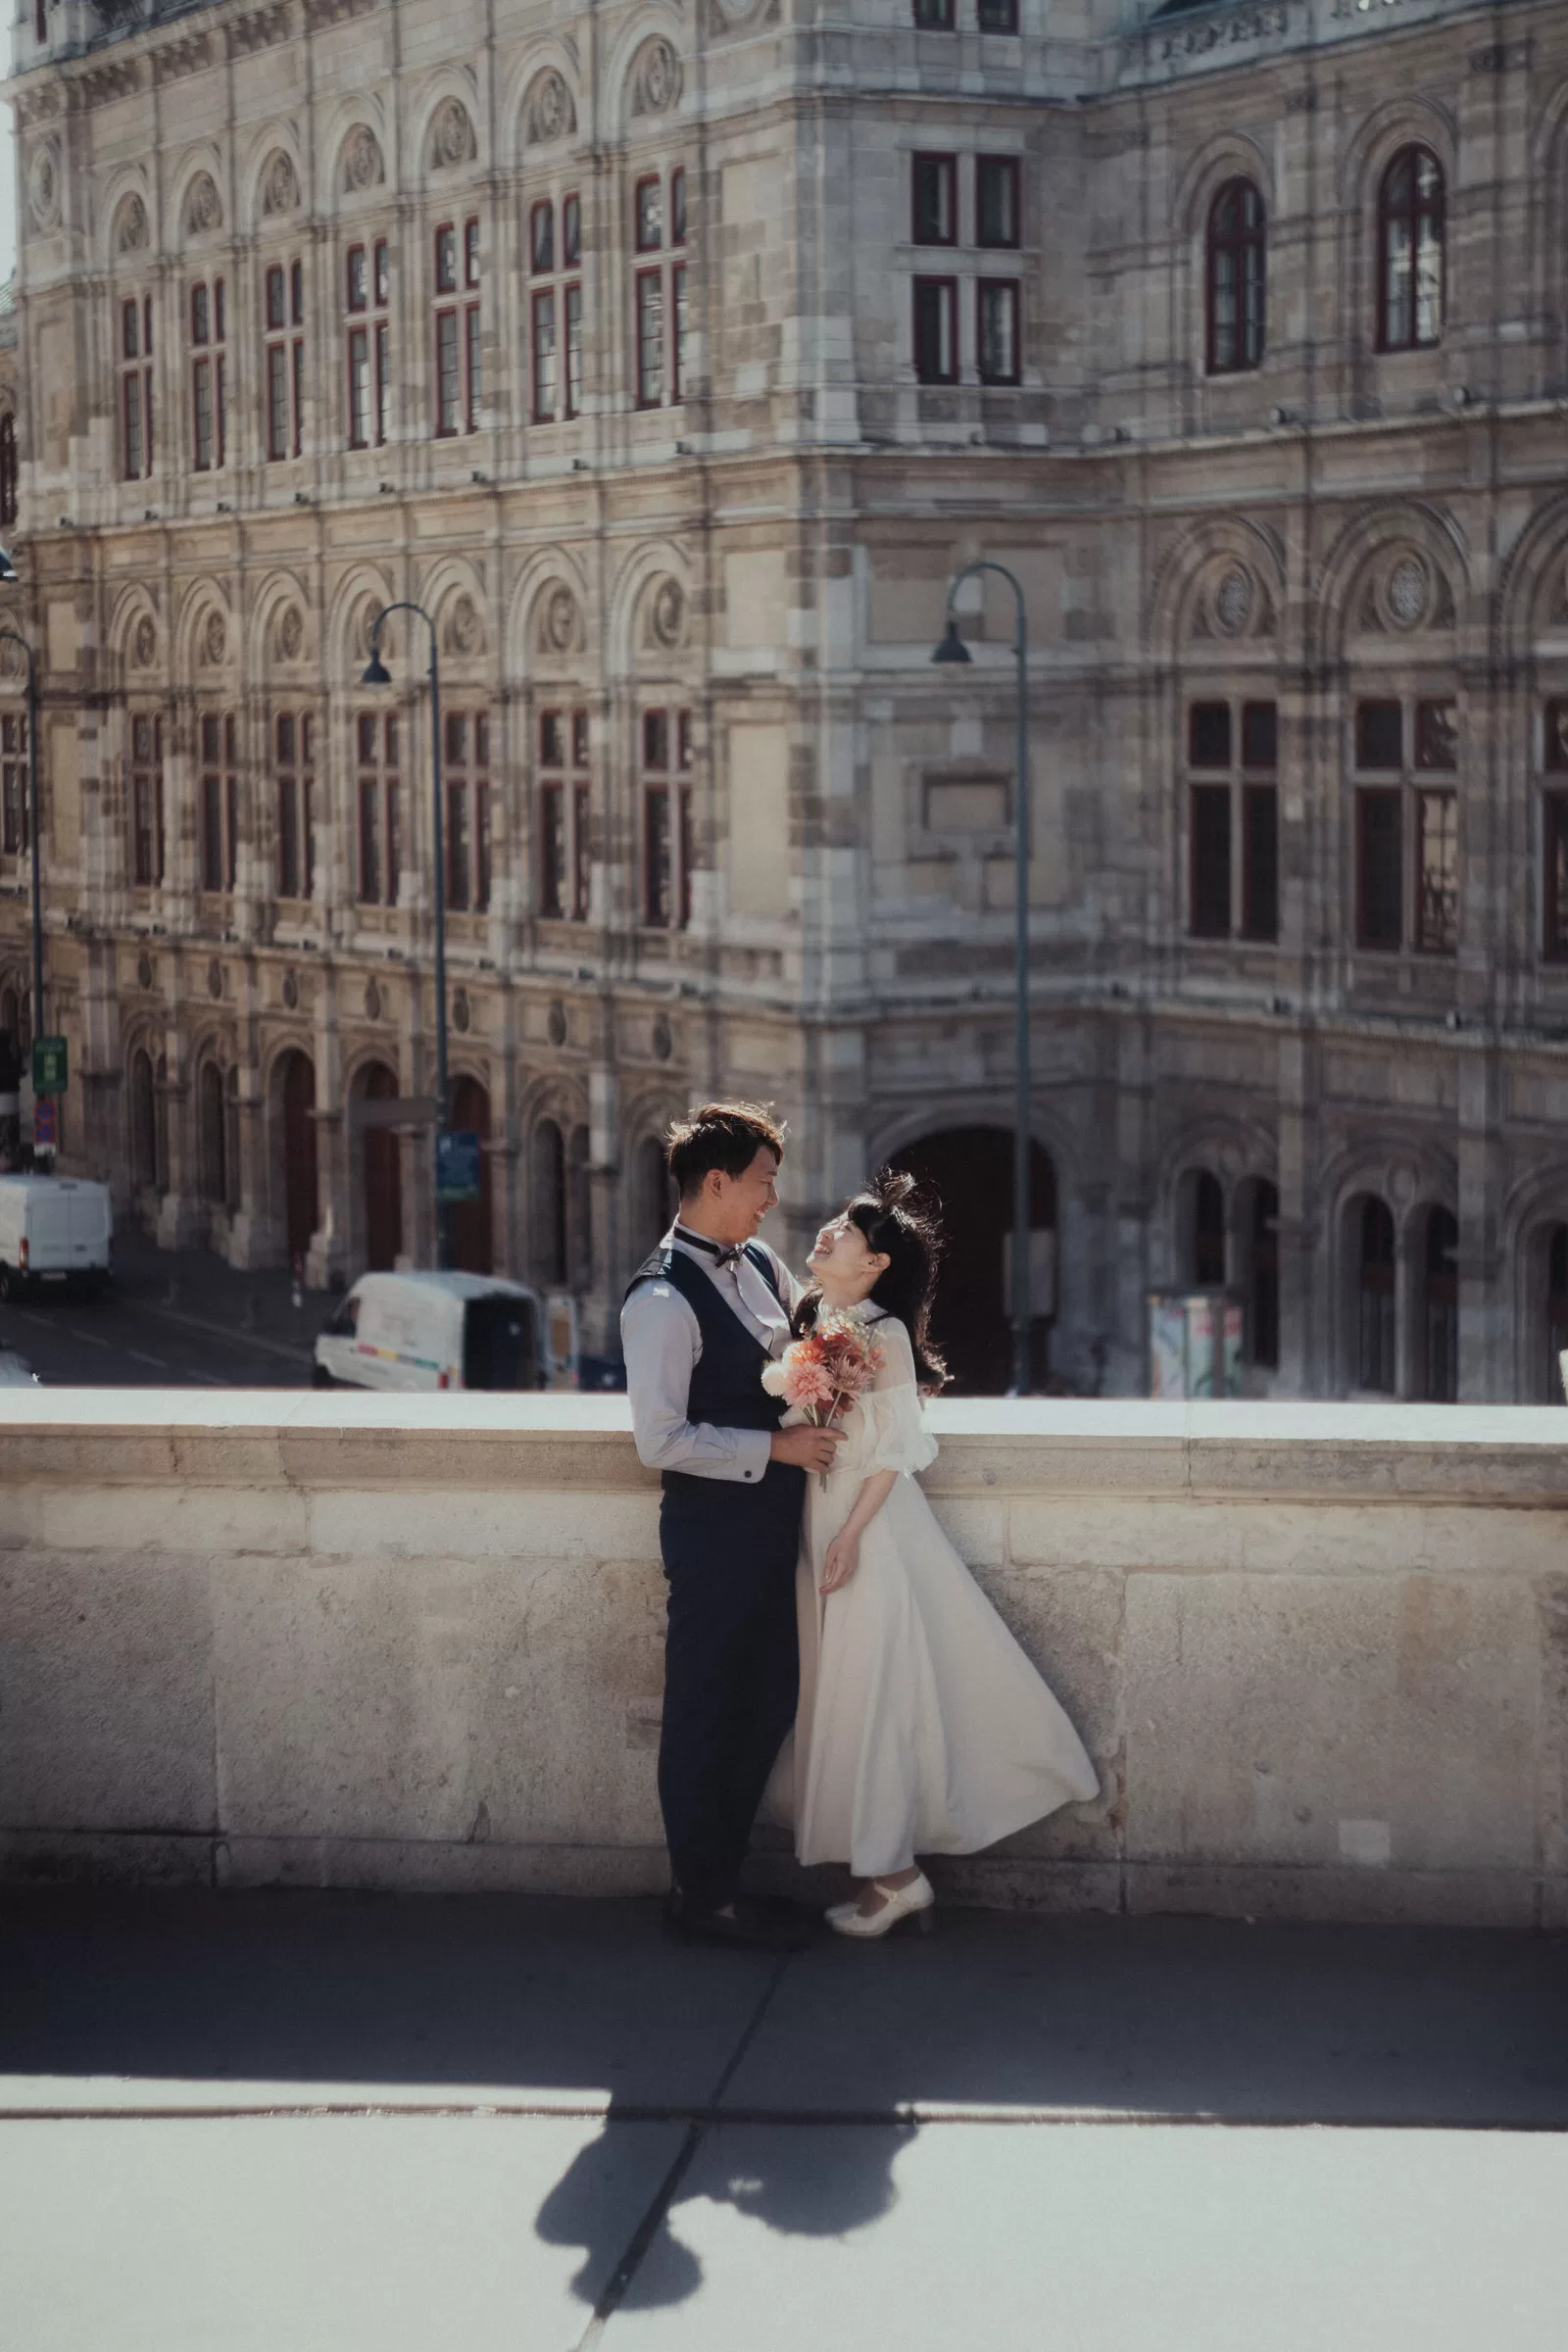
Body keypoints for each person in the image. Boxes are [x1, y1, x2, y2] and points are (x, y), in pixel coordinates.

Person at [781, 1170, 1099, 1938]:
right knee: (842, 1697)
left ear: (877, 1262)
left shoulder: (882, 1334)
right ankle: (879, 1873)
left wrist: (852, 1537)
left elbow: (896, 1448)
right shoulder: (818, 1312)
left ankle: (894, 1879)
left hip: (869, 1526)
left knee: (873, 1700)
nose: (826, 1231)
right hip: (823, 1519)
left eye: (845, 1232)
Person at [621, 1102, 844, 1951]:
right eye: (761, 1182)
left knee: (768, 1695)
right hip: (714, 1538)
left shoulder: (757, 1263)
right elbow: (660, 1439)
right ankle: (700, 1893)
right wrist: (776, 1449)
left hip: (767, 1532)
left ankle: (721, 1879)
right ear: (716, 1182)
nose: (771, 1198)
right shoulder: (659, 1299)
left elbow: (797, 1350)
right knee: (707, 1708)